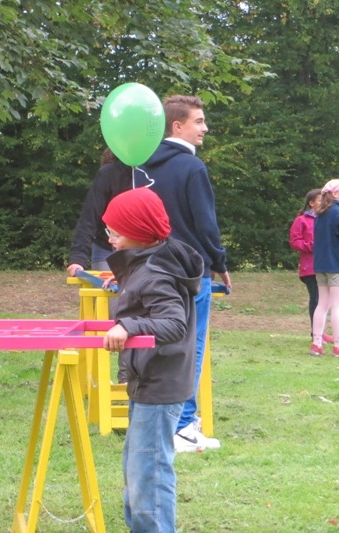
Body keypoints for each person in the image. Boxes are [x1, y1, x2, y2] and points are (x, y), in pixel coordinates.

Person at [101, 187, 203, 533]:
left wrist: (128, 325)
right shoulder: (146, 263)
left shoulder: (156, 272)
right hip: (148, 379)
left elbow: (174, 323)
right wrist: (122, 281)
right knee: (136, 468)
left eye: (114, 231)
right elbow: (145, 296)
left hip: (160, 384)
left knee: (149, 474)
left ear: (139, 232)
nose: (109, 238)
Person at [139, 94, 230, 453]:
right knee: (190, 347)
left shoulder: (140, 167)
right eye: (199, 121)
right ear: (177, 126)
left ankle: (158, 424)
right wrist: (219, 262)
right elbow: (205, 225)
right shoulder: (193, 168)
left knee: (157, 346)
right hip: (190, 272)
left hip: (149, 269)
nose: (205, 128)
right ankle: (182, 426)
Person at [66, 148, 133, 275]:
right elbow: (90, 216)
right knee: (107, 286)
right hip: (106, 247)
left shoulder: (156, 172)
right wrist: (78, 258)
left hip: (146, 250)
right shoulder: (108, 173)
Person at [289, 189, 331, 349]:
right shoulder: (301, 220)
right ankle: (316, 333)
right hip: (310, 267)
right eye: (320, 200)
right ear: (311, 203)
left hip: (327, 265)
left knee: (326, 300)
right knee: (317, 299)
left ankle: (320, 332)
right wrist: (312, 246)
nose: (323, 203)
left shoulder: (327, 218)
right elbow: (295, 242)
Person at [310, 179, 339, 357]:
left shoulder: (320, 214)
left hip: (320, 265)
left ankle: (316, 343)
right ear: (334, 193)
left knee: (322, 304)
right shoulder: (337, 212)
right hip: (336, 265)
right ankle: (337, 345)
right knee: (337, 305)